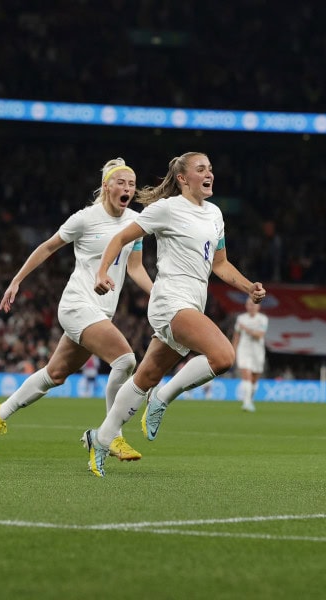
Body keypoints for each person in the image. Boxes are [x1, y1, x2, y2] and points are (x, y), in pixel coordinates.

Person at [83, 151, 266, 477]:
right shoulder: (166, 209)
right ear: (182, 179)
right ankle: (163, 398)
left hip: (193, 303)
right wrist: (101, 272)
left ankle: (102, 438)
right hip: (170, 301)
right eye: (200, 169)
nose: (209, 173)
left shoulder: (215, 214)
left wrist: (248, 286)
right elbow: (121, 237)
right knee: (223, 356)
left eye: (210, 168)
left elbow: (220, 264)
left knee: (146, 375)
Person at [0, 158, 153, 462]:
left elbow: (135, 267)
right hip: (77, 304)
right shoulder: (85, 218)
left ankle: (0, 412)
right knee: (125, 360)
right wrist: (17, 280)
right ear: (106, 186)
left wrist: (158, 295)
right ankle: (110, 436)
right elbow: (48, 247)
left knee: (55, 374)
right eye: (121, 182)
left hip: (102, 312)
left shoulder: (135, 222)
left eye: (131, 183)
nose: (127, 188)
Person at [232, 297, 269, 412]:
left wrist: (246, 329)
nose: (251, 307)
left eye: (253, 305)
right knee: (246, 374)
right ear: (246, 306)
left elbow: (260, 335)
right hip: (244, 349)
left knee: (254, 379)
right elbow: (236, 336)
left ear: (258, 306)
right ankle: (246, 403)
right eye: (249, 304)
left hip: (257, 351)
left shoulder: (262, 319)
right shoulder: (241, 318)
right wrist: (233, 351)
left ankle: (250, 399)